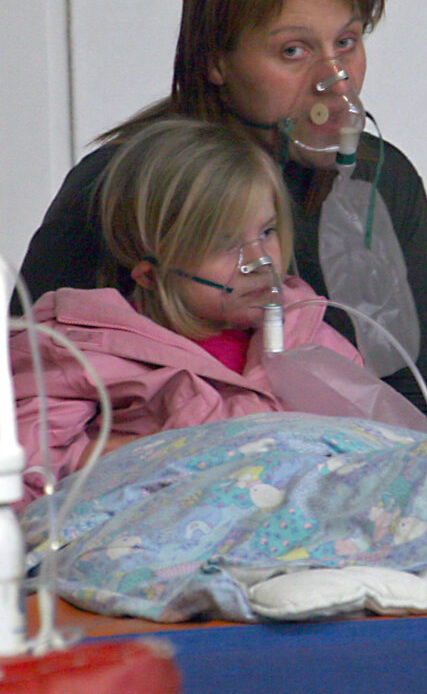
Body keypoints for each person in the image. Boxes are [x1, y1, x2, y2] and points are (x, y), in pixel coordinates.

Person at [11, 0, 427, 431]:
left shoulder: (380, 181)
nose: (336, 80)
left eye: (346, 43)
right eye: (293, 51)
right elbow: (22, 409)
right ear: (217, 61)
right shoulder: (121, 187)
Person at [10, 119, 367, 509]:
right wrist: (132, 454)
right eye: (225, 244)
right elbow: (23, 464)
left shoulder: (307, 333)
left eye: (267, 231)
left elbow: (372, 446)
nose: (260, 260)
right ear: (151, 274)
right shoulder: (87, 347)